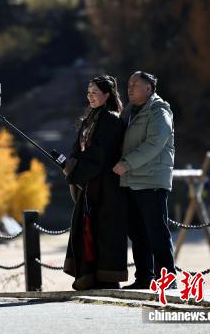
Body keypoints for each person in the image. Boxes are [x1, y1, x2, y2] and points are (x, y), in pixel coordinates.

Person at [63, 75, 128, 290]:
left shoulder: (110, 119)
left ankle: (107, 278)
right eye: (88, 92)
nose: (90, 96)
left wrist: (77, 173)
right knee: (85, 229)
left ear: (107, 95)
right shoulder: (90, 118)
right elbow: (78, 149)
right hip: (90, 183)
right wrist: (70, 164)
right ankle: (87, 275)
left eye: (95, 92)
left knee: (105, 231)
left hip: (107, 184)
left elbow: (100, 155)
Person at [112, 71, 176, 289]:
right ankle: (144, 279)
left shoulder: (159, 110)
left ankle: (168, 280)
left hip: (151, 181)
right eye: (129, 84)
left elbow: (155, 143)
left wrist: (127, 163)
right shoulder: (128, 111)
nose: (129, 88)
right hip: (130, 180)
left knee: (157, 232)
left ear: (148, 88)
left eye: (135, 84)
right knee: (137, 233)